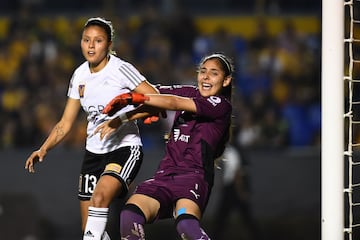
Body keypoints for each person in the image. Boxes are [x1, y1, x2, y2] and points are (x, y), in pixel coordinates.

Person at [24, 17, 159, 240]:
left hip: (124, 149)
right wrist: (44, 149)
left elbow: (157, 99)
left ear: (109, 45)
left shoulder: (121, 70)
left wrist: (121, 119)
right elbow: (65, 123)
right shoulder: (79, 75)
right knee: (90, 231)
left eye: (98, 40)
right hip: (93, 154)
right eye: (86, 40)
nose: (91, 45)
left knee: (99, 199)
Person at [95, 53, 234, 240]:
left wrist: (131, 98)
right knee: (129, 215)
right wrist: (121, 117)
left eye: (214, 73)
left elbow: (172, 102)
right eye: (203, 71)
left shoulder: (221, 105)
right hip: (164, 176)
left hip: (193, 177)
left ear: (226, 81)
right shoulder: (188, 92)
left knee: (186, 226)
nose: (206, 77)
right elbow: (153, 93)